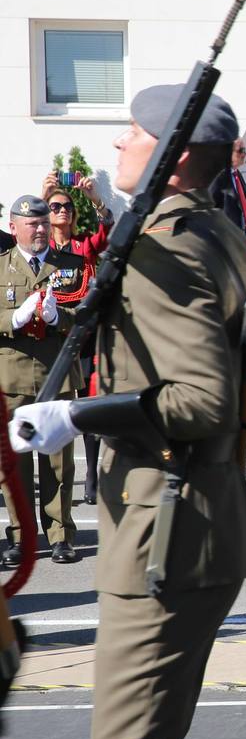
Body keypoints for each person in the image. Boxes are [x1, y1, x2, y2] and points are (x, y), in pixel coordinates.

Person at [9, 83, 246, 739]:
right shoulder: (222, 237)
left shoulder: (165, 251)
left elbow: (202, 398)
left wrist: (75, 416)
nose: (116, 143)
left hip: (161, 533)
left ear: (170, 155)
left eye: (132, 131)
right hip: (203, 528)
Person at [0, 195, 86, 565]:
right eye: (31, 223)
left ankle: (60, 535)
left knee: (58, 463)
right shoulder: (0, 267)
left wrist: (59, 319)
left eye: (42, 223)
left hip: (56, 375)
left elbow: (85, 315)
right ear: (13, 227)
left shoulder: (71, 265)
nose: (39, 229)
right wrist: (11, 320)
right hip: (12, 375)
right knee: (14, 465)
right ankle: (21, 537)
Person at [42, 173, 109, 507]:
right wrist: (42, 195)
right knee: (51, 404)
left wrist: (95, 199)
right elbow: (22, 239)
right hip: (50, 332)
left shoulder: (84, 244)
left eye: (66, 206)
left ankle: (92, 474)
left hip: (80, 331)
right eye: (54, 206)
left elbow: (108, 232)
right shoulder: (44, 247)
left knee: (84, 404)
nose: (62, 211)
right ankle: (53, 481)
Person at [208, 137, 246, 235]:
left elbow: (244, 208)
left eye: (244, 150)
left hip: (242, 239)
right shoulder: (218, 177)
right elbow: (210, 209)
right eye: (240, 151)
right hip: (226, 239)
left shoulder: (237, 175)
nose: (244, 154)